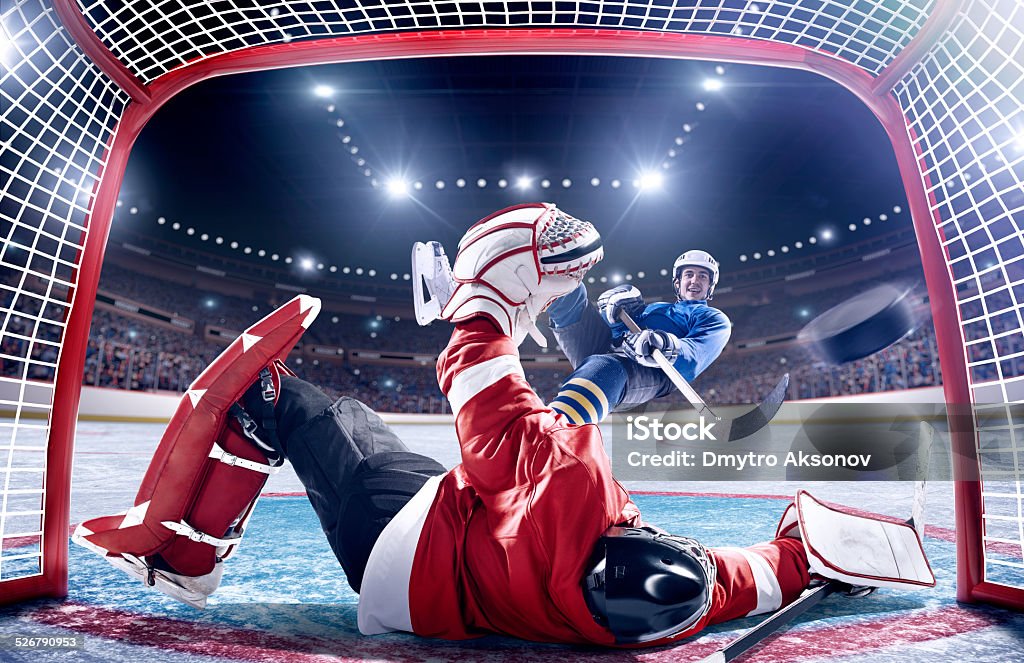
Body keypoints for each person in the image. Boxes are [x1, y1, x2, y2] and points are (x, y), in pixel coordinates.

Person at [245, 204, 814, 644]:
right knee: (355, 419)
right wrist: (799, 560)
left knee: (302, 406)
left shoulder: (572, 484)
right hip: (451, 525)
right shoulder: (624, 601)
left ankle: (189, 544)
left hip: (395, 543)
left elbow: (496, 418)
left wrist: (480, 317)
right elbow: (734, 581)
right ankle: (536, 299)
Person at [545, 250, 731, 424]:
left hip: (654, 371)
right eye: (689, 274)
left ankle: (554, 432)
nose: (695, 280)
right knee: (570, 288)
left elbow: (696, 354)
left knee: (605, 367)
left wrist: (664, 343)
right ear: (678, 282)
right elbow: (617, 333)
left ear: (710, 286)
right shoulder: (655, 308)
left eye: (703, 276)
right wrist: (613, 314)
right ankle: (532, 274)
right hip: (611, 349)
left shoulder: (714, 318)